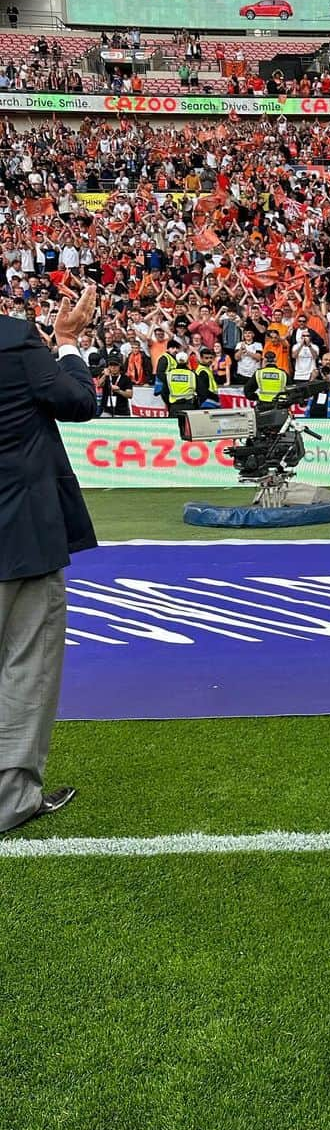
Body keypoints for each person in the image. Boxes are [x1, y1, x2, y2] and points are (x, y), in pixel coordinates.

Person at [0, 286, 99, 832]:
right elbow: (78, 402)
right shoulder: (16, 339)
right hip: (21, 535)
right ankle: (11, 800)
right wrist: (66, 341)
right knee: (25, 665)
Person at [98, 352, 133, 416]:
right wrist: (105, 375)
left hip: (122, 411)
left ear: (120, 366)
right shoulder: (105, 376)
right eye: (111, 365)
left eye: (115, 365)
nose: (113, 367)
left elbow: (130, 395)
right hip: (107, 411)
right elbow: (99, 385)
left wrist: (118, 391)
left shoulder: (126, 378)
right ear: (108, 367)